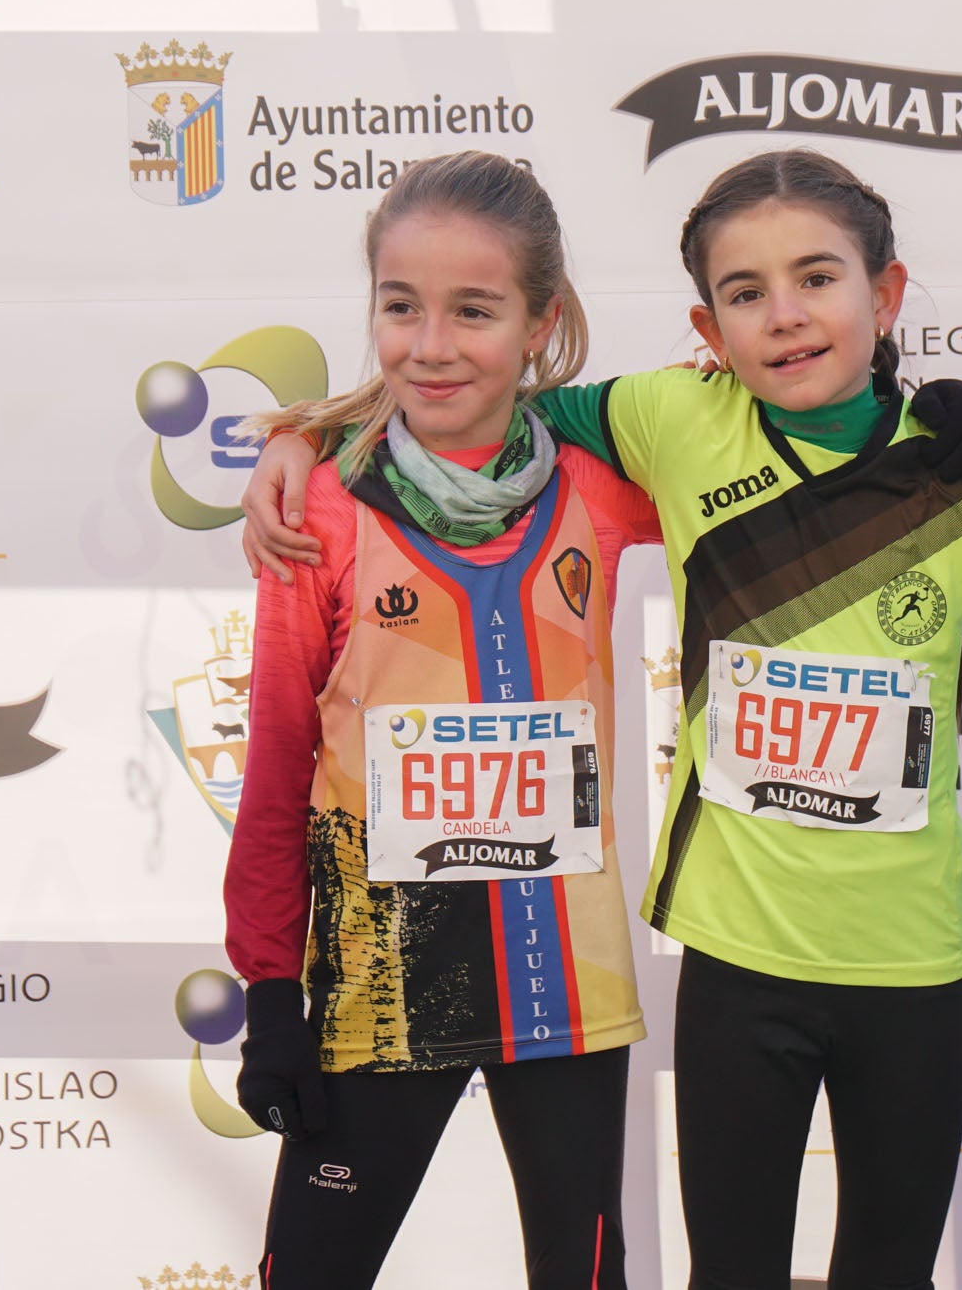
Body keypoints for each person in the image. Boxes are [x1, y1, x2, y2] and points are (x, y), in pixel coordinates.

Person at [238, 149, 962, 1290]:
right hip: (710, 956)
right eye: (745, 294)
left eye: (817, 280)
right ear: (707, 333)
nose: (785, 317)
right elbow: (471, 392)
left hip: (896, 963)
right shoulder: (660, 425)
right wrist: (299, 438)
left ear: (885, 294)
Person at [223, 151, 658, 1289]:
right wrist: (270, 989)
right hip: (383, 976)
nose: (429, 344)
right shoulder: (316, 505)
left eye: (474, 310)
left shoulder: (604, 490)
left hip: (567, 975)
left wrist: (913, 404)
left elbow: (767, 454)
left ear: (538, 322)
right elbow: (275, 766)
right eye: (399, 306)